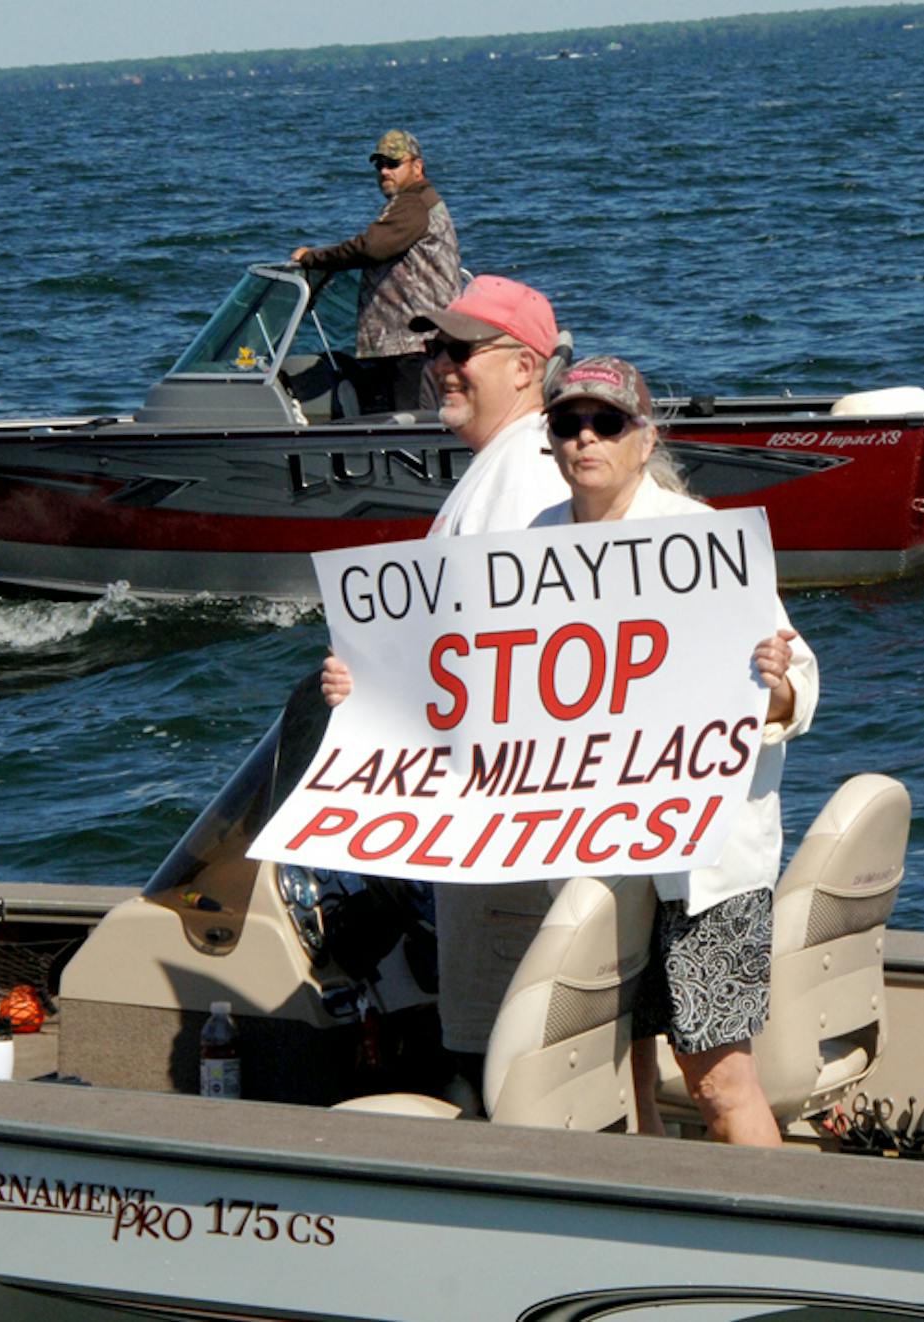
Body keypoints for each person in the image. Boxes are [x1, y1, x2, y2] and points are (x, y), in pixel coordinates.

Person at [532, 355, 818, 1146]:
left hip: (709, 857)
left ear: (644, 436)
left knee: (721, 1080)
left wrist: (773, 686)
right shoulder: (532, 546)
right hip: (591, 842)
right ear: (550, 439)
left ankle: (780, 1249)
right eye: (568, 423)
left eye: (607, 423)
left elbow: (799, 680)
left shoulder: (701, 539)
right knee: (617, 1068)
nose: (586, 437)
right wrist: (373, 690)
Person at [321, 274, 569, 1091]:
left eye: (462, 350)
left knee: (501, 1059)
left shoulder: (528, 478)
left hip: (512, 837)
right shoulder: (500, 470)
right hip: (487, 825)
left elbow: (519, 654)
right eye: (434, 348)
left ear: (527, 367)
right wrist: (374, 682)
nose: (440, 365)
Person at [289, 130, 461, 414]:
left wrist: (313, 258)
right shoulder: (421, 202)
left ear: (417, 167)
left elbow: (372, 247)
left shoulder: (412, 203)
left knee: (409, 426)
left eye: (393, 163)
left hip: (411, 344)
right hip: (414, 341)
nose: (384, 171)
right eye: (379, 164)